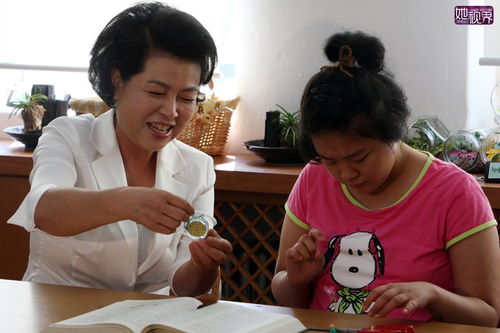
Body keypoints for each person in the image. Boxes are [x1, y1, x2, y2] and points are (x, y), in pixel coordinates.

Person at [271, 31, 500, 327]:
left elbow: (488, 316)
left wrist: (432, 294)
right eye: (329, 160)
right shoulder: (314, 178)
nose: (345, 174)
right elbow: (285, 296)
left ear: (394, 132)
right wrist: (296, 278)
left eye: (359, 158)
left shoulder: (455, 191)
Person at [8, 1, 232, 296]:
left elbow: (182, 287)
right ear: (118, 82)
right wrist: (127, 202)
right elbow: (43, 209)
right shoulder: (68, 135)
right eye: (156, 92)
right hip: (57, 316)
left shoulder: (197, 168)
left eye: (187, 98)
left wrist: (203, 267)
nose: (171, 111)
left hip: (147, 322)